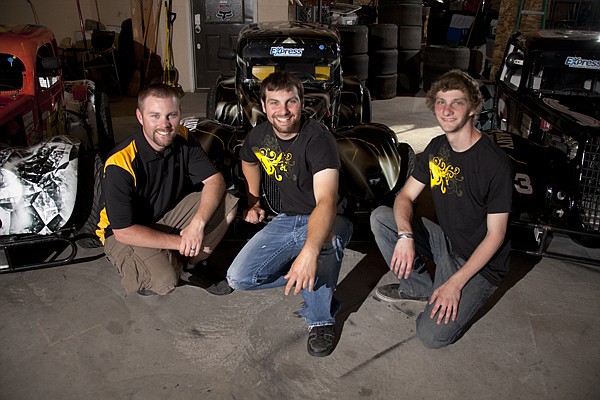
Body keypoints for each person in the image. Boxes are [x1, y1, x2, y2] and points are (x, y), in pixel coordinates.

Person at [370, 70, 513, 349]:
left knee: (432, 336)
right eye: (440, 102)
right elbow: (404, 197)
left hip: (481, 263)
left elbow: (496, 235)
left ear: (473, 108)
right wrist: (405, 236)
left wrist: (455, 284)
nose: (446, 110)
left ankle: (445, 288)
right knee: (382, 218)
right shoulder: (437, 148)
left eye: (456, 103)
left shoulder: (494, 163)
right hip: (446, 240)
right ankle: (419, 288)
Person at [225, 72, 353, 357]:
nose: (282, 111)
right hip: (288, 217)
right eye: (274, 103)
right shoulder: (259, 134)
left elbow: (326, 201)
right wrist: (254, 201)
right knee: (239, 278)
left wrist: (309, 251)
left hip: (330, 217)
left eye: (290, 102)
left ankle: (321, 319)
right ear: (264, 104)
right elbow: (249, 160)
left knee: (323, 245)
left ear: (302, 102)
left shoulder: (319, 140)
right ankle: (311, 279)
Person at [97, 83, 238, 296]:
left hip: (164, 214)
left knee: (228, 203)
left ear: (180, 114)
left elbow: (215, 180)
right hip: (123, 232)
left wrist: (197, 225)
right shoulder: (120, 163)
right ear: (140, 116)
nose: (164, 125)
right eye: (155, 116)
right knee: (165, 280)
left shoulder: (183, 137)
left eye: (171, 115)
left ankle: (191, 266)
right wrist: (182, 241)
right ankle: (166, 263)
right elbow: (123, 231)